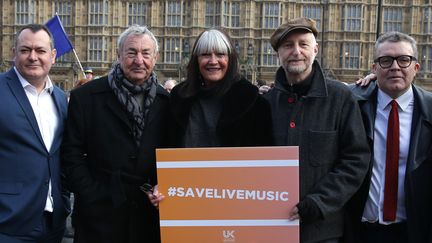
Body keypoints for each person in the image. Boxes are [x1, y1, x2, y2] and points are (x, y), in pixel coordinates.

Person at [263, 17, 370, 243]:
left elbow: (356, 160)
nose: (296, 51)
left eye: (303, 44)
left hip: (322, 231)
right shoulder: (265, 103)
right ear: (278, 53)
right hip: (271, 228)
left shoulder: (340, 98)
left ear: (316, 49)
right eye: (287, 45)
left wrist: (318, 202)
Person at [61, 25, 168, 243]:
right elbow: (70, 154)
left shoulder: (167, 101)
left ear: (155, 58)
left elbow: (172, 152)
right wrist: (91, 194)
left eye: (146, 53)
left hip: (147, 218)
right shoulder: (86, 97)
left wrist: (161, 186)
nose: (139, 60)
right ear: (118, 55)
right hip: (99, 219)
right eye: (131, 53)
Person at [347, 31, 432, 243]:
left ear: (416, 67)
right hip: (360, 231)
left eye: (404, 60)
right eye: (386, 60)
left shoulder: (430, 110)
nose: (395, 66)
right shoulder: (352, 104)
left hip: (414, 232)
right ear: (374, 68)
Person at [0, 24, 70, 242]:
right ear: (14, 54)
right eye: (25, 50)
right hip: (9, 221)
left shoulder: (60, 97)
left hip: (54, 221)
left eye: (40, 51)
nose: (33, 57)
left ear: (53, 56)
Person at [169, 28, 273, 147]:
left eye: (220, 54)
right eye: (205, 54)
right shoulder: (178, 99)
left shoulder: (253, 102)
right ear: (196, 60)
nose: (213, 61)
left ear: (230, 59)